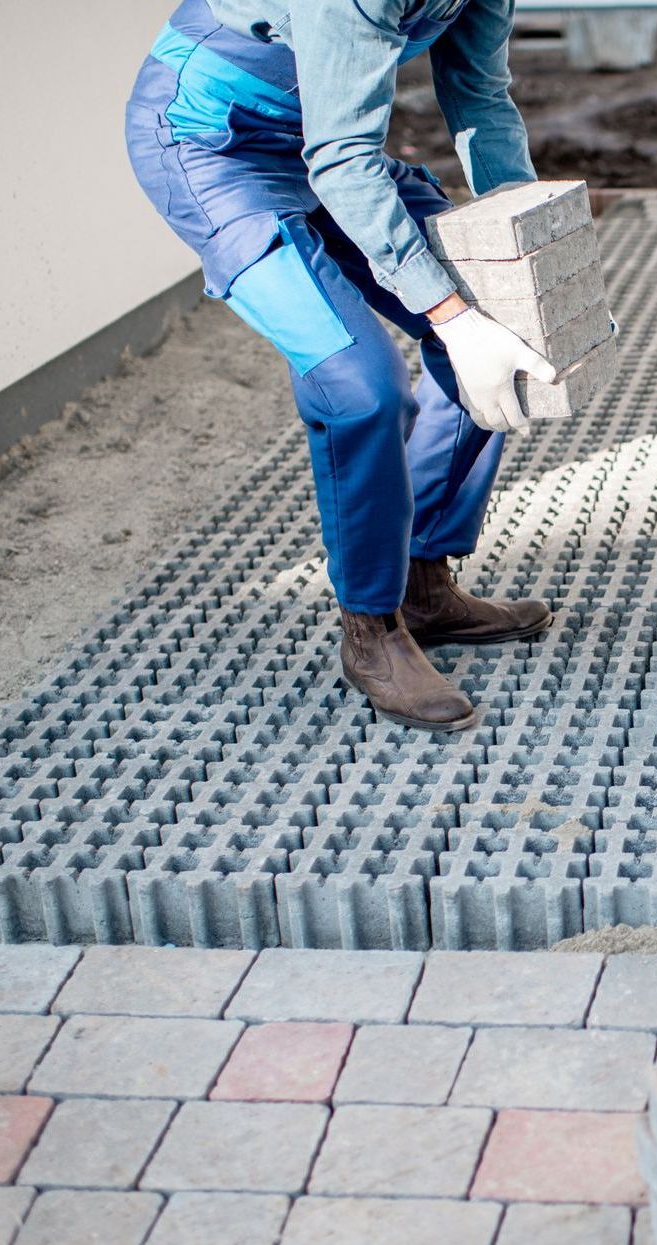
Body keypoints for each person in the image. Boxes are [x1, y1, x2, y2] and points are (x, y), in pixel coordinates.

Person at [124, 0, 556, 732]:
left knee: (506, 321)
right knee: (361, 387)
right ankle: (371, 629)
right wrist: (451, 317)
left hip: (322, 142)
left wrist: (525, 249)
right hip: (213, 150)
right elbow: (345, 161)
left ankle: (424, 581)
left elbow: (478, 93)